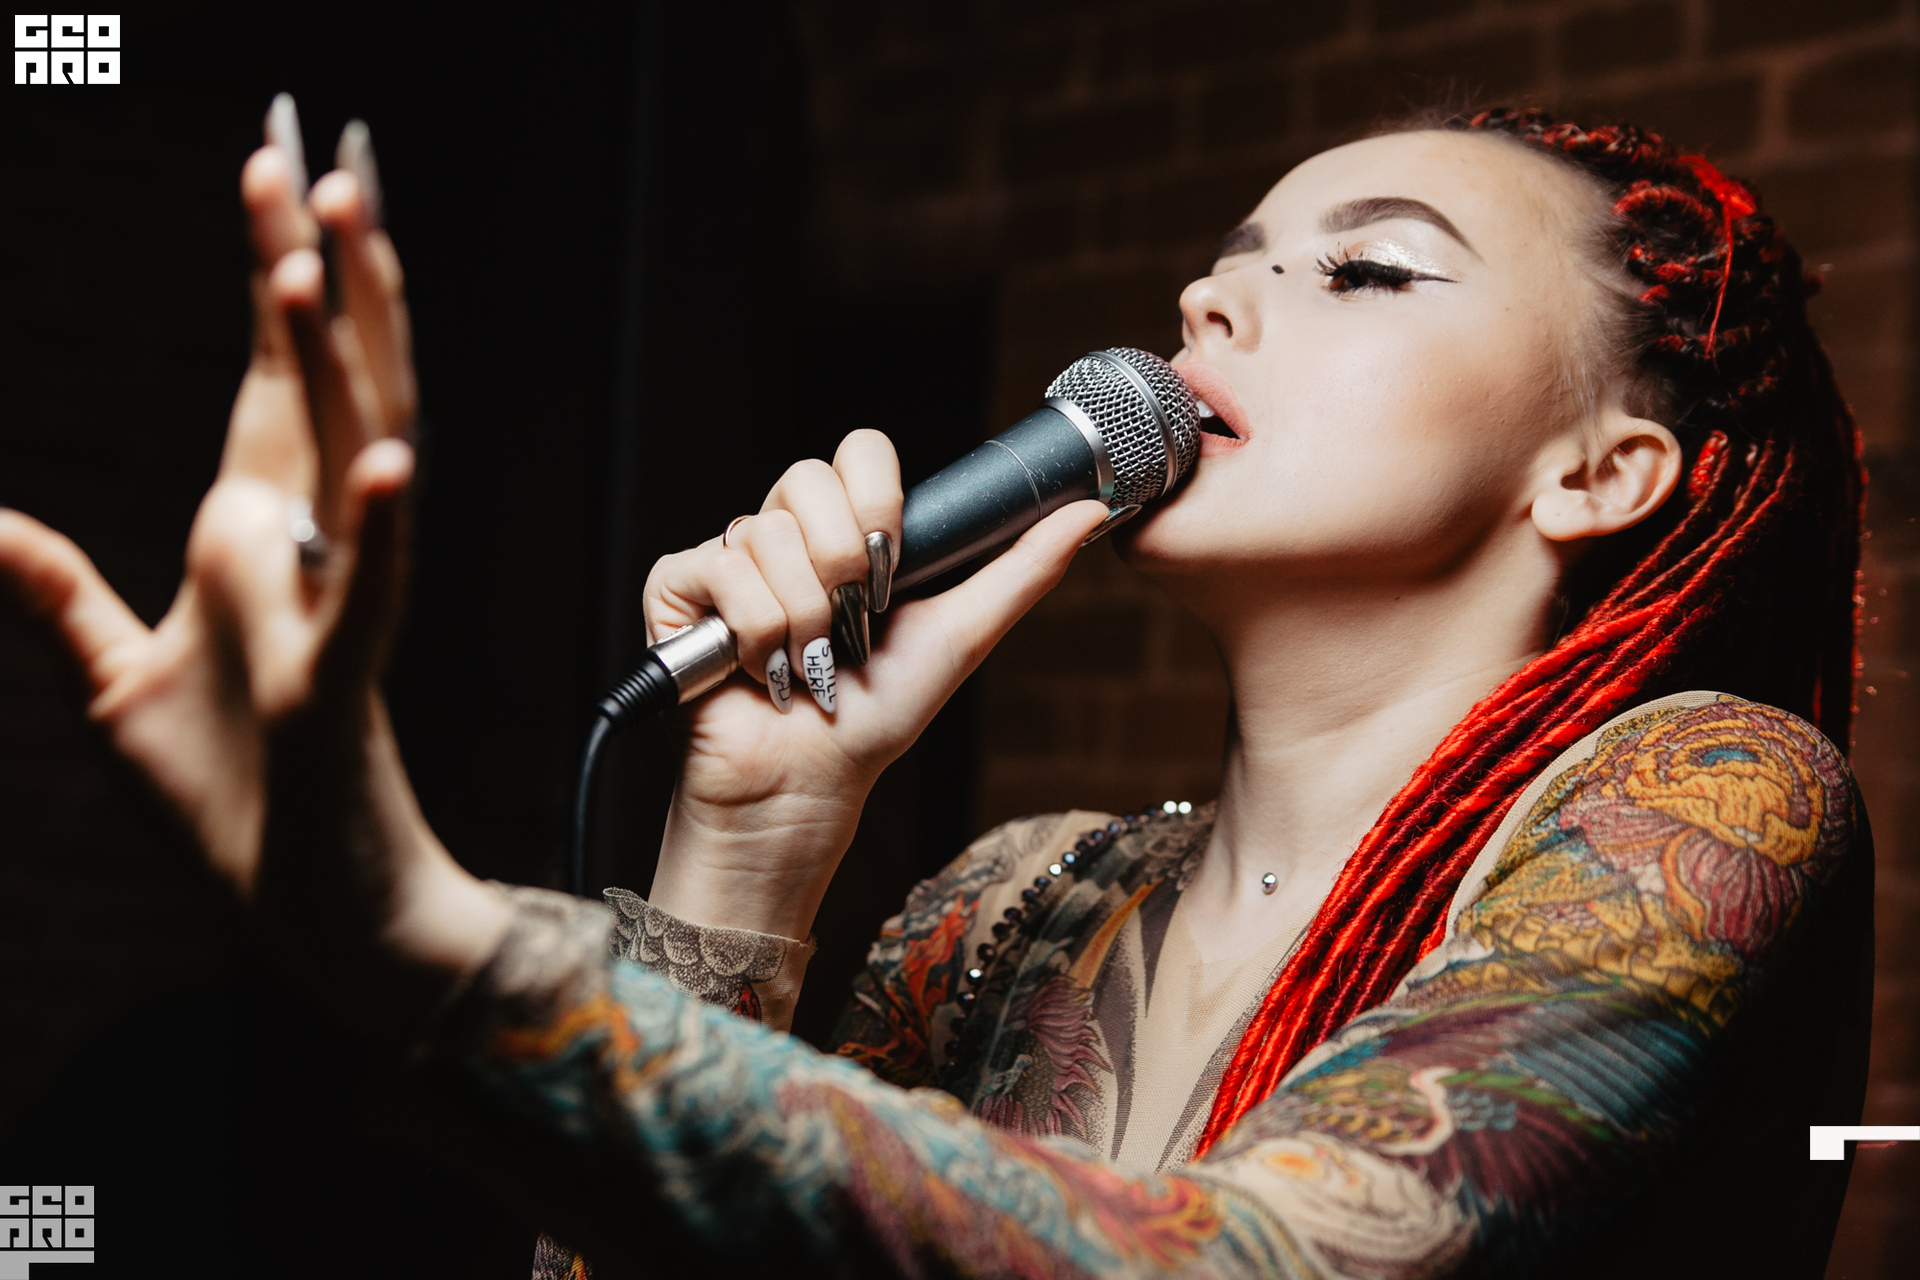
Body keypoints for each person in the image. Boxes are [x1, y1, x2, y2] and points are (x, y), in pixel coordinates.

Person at [0, 104, 1871, 1279]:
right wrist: (750, 844)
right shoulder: (1006, 907)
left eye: (1366, 271)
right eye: (1223, 268)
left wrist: (430, 942)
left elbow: (1264, 1258)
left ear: (1601, 473)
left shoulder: (1713, 800)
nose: (1210, 307)